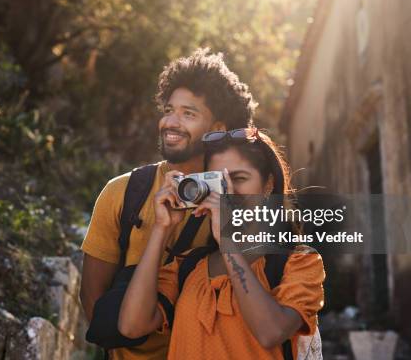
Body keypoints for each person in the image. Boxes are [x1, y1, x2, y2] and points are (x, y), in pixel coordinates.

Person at [80, 48, 258, 360]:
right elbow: (92, 296)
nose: (170, 123)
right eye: (168, 110)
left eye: (188, 114)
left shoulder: (239, 201)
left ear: (217, 130)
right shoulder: (122, 192)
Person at [118, 128, 325, 359]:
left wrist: (228, 241)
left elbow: (271, 332)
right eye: (218, 182)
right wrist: (161, 228)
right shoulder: (188, 265)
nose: (227, 193)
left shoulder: (299, 262)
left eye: (238, 179)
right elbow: (131, 326)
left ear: (268, 185)